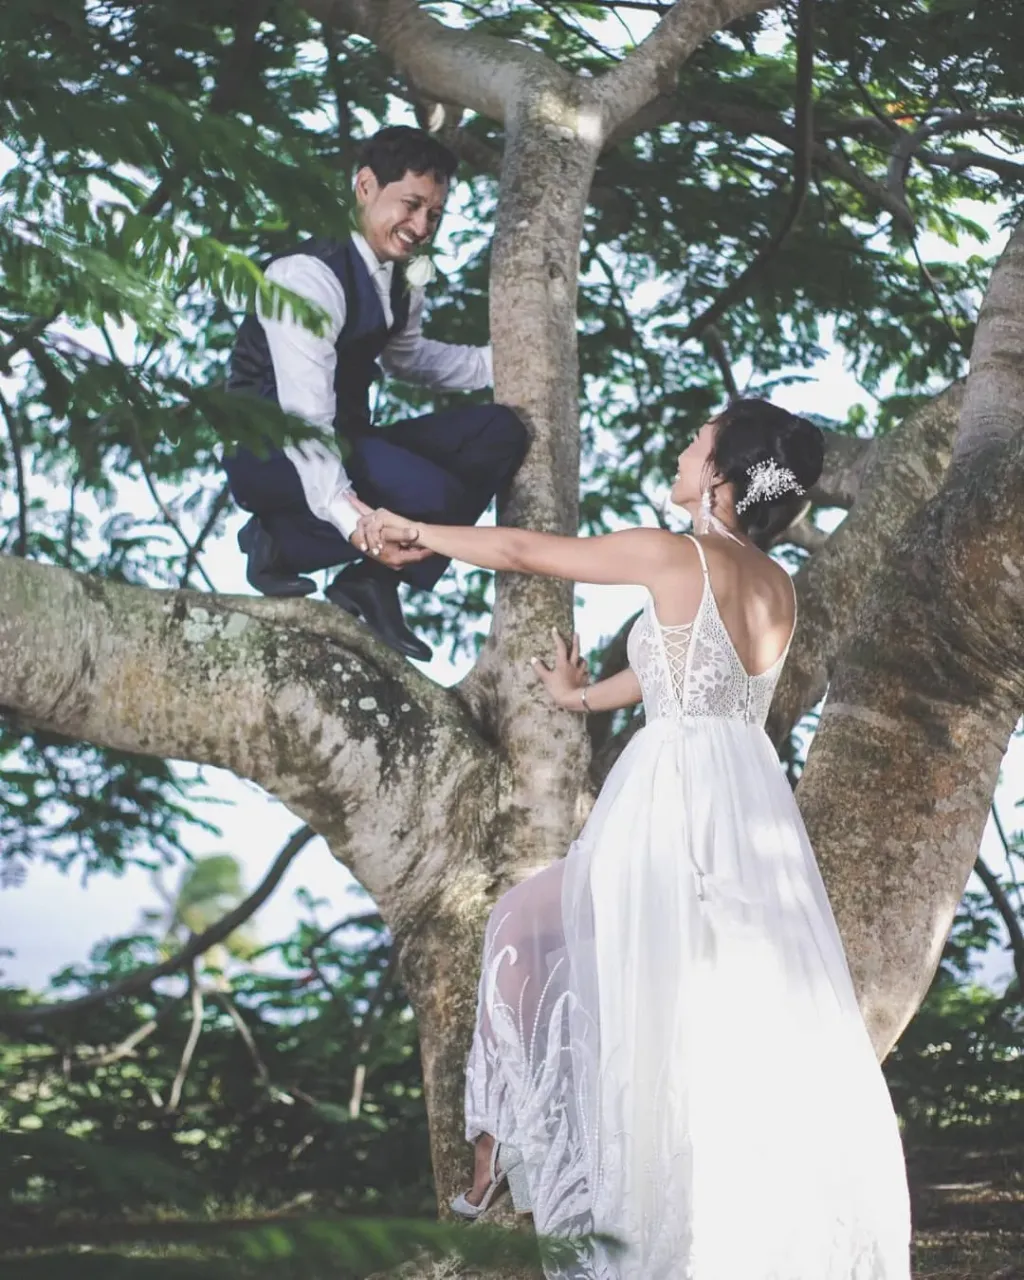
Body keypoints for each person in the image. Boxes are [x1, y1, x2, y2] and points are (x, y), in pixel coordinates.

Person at [355, 399, 911, 1280]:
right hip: (747, 800)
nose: (685, 448)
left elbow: (526, 550)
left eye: (699, 440)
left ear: (722, 474)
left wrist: (416, 529)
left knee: (531, 929)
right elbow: (686, 672)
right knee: (703, 1002)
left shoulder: (673, 554)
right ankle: (619, 1181)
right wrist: (579, 697)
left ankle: (511, 1146)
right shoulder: (776, 583)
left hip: (674, 794)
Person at [223, 125, 527, 661]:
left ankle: (371, 584)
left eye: (434, 214)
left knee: (499, 433)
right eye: (411, 205)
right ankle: (279, 543)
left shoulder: (402, 277)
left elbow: (408, 359)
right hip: (270, 451)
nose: (421, 226)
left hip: (347, 439)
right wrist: (356, 526)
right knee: (433, 499)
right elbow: (305, 419)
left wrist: (511, 361)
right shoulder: (308, 277)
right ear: (366, 186)